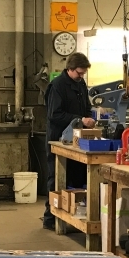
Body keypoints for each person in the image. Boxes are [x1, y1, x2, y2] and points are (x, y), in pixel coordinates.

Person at [43, 52, 95, 230]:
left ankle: (74, 214)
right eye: (79, 73)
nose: (81, 77)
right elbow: (54, 114)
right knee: (56, 178)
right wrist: (79, 119)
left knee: (77, 177)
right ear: (70, 69)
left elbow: (86, 107)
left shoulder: (80, 84)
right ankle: (51, 217)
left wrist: (88, 119)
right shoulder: (57, 86)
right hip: (58, 138)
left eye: (83, 74)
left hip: (77, 140)